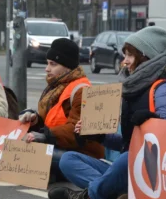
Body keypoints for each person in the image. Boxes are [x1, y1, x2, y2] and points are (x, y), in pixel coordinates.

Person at [48, 26, 166, 199]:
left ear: (145, 57)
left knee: (126, 158)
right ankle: (118, 197)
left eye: (130, 55)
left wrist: (152, 120)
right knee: (68, 160)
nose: (125, 62)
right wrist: (99, 136)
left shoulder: (164, 88)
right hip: (131, 165)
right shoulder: (134, 87)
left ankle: (89, 196)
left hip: (154, 170)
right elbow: (128, 142)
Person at [19, 38, 104, 179]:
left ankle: (54, 173)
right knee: (14, 148)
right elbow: (53, 121)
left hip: (82, 154)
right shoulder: (56, 87)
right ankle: (49, 173)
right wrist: (35, 120)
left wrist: (46, 135)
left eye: (53, 64)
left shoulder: (82, 90)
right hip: (58, 146)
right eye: (47, 64)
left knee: (23, 154)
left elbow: (77, 132)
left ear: (67, 66)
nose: (47, 69)